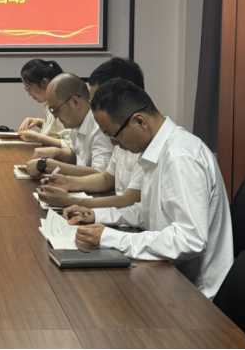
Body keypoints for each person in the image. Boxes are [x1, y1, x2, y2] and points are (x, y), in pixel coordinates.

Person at [66, 79, 234, 299]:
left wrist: (111, 238)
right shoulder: (158, 149)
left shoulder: (180, 158)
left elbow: (190, 239)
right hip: (169, 273)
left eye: (113, 135)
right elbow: (148, 211)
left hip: (196, 293)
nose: (115, 144)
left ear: (139, 121)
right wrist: (96, 215)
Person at [37, 58, 145, 210]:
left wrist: (72, 201)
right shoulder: (122, 133)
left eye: (96, 103)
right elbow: (107, 178)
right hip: (117, 215)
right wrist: (68, 182)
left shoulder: (147, 141)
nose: (92, 108)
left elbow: (130, 201)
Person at [24, 73, 113, 178]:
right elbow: (76, 153)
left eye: (56, 110)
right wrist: (56, 152)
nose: (55, 116)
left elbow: (101, 175)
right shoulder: (76, 121)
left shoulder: (100, 126)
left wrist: (49, 165)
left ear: (75, 102)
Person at [17, 59, 71, 148]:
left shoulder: (65, 106)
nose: (29, 93)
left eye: (29, 87)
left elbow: (71, 145)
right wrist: (39, 122)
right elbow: (57, 130)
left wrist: (39, 138)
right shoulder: (51, 103)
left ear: (44, 82)